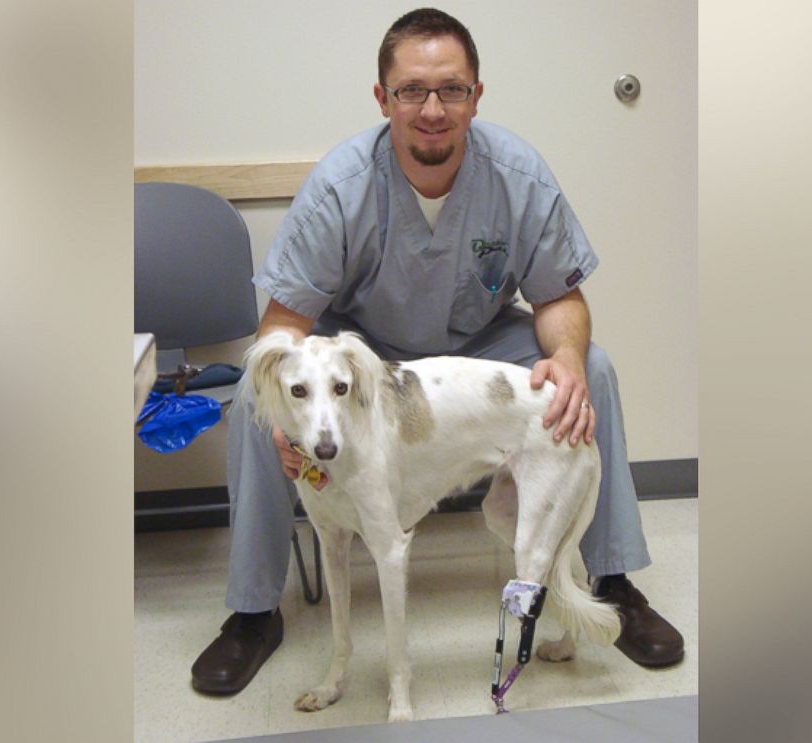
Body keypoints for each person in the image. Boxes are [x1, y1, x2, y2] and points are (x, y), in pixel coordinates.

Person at [190, 7, 684, 696]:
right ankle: (251, 611)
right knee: (257, 402)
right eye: (411, 90)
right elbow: (283, 326)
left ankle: (612, 579)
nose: (431, 108)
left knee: (591, 371)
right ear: (382, 98)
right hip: (363, 355)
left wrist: (566, 358)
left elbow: (560, 300)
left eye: (451, 89)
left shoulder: (517, 175)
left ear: (477, 95)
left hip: (478, 337)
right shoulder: (340, 186)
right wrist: (288, 416)